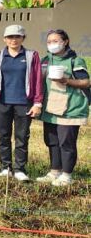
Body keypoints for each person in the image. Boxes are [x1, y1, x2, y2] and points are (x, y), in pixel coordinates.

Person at [0, 24, 43, 181]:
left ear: (23, 38)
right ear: (4, 39)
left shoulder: (31, 56)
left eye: (17, 36)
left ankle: (20, 169)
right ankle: (5, 167)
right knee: (3, 135)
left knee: (22, 136)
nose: (13, 40)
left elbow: (37, 80)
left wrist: (37, 103)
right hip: (3, 102)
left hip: (24, 103)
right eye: (10, 37)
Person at [36, 29, 89, 186]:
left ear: (65, 41)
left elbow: (86, 82)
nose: (52, 44)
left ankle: (67, 175)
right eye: (49, 41)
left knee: (66, 143)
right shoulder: (46, 60)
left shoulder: (75, 61)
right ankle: (55, 171)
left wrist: (66, 80)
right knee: (52, 141)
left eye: (56, 41)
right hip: (50, 108)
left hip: (70, 108)